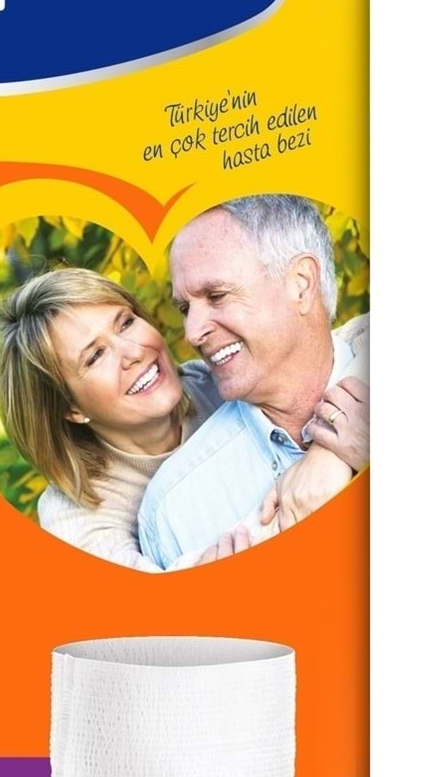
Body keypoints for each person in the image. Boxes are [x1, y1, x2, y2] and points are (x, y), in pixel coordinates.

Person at [0, 264, 360, 571]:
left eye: (125, 322)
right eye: (95, 356)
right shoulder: (75, 515)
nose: (133, 352)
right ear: (71, 409)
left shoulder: (217, 383)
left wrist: (330, 449)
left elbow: (354, 340)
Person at [137, 195, 370, 568]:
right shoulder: (174, 511)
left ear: (301, 284)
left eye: (217, 296)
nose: (192, 332)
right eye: (185, 309)